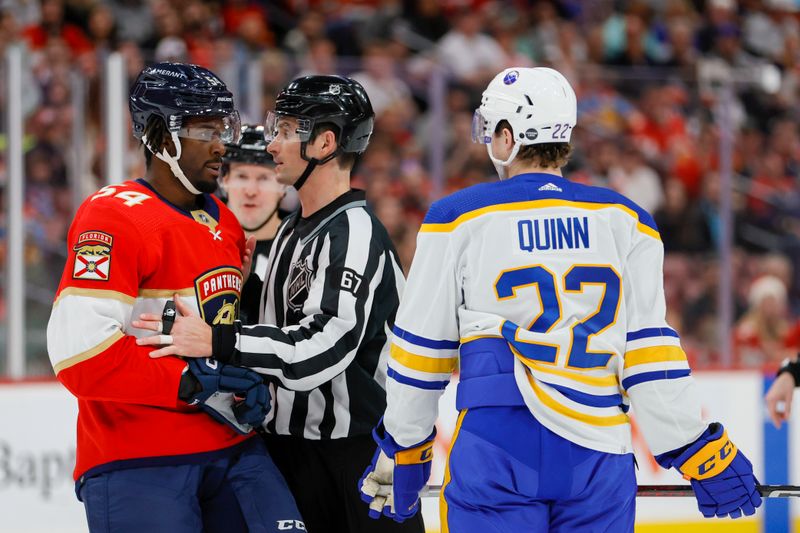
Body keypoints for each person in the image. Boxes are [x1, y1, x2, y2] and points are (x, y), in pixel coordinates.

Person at [358, 67, 762, 531]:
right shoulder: (627, 218)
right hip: (600, 451)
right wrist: (700, 449)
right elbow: (648, 353)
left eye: (492, 129)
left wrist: (405, 447)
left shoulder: (456, 217)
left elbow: (422, 350)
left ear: (508, 137)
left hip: (497, 443)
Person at [135, 75, 423, 533]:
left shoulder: (355, 233)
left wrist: (216, 338)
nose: (272, 144)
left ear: (325, 142)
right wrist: (242, 293)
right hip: (292, 452)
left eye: (287, 131)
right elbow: (278, 330)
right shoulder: (293, 230)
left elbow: (323, 349)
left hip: (357, 457)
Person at [47, 62, 303, 532]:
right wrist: (193, 383)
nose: (222, 143)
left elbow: (221, 331)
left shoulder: (223, 222)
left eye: (224, 126)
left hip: (233, 447)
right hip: (139, 457)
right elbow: (78, 355)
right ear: (162, 137)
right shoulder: (113, 216)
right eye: (206, 128)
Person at [219, 123, 288, 323]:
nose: (250, 190)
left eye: (264, 178)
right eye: (241, 176)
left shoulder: (303, 245)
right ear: (224, 180)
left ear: (283, 185)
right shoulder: (197, 237)